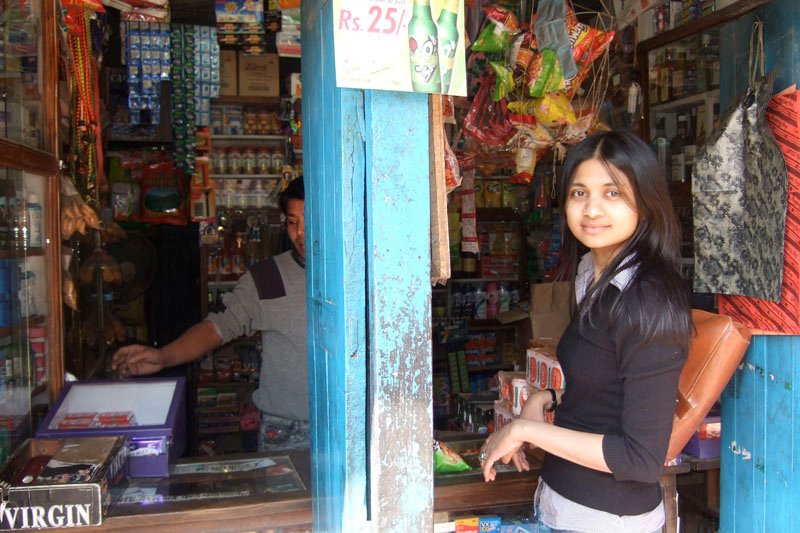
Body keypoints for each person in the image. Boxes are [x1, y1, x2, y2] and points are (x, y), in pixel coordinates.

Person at [480, 131, 692, 533]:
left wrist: (528, 430)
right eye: (580, 193)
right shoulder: (591, 275)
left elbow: (641, 458)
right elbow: (607, 385)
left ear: (645, 202)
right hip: (561, 505)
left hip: (607, 519)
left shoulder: (647, 298)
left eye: (613, 193)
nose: (592, 209)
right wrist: (547, 397)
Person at [112, 177, 309, 452]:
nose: (300, 233)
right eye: (292, 222)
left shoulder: (359, 271)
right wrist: (163, 356)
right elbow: (218, 326)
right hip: (287, 429)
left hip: (352, 423)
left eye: (309, 218)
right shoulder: (269, 277)